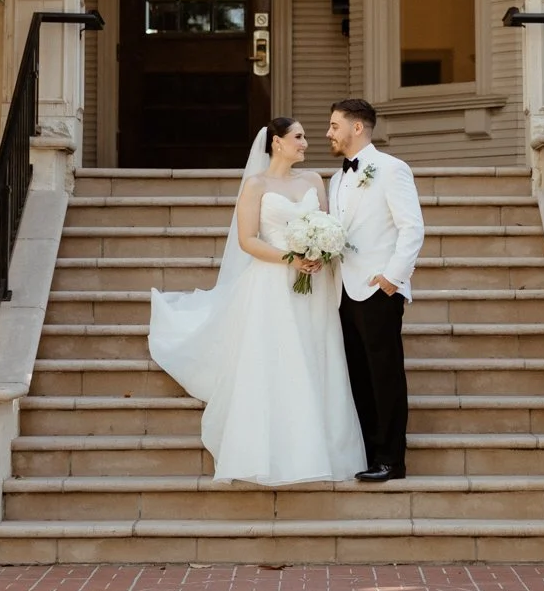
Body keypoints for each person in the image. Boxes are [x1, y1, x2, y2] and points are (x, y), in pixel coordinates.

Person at [147, 116, 366, 485]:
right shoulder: (255, 185)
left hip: (314, 284)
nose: (306, 143)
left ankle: (325, 449)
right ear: (277, 143)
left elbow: (328, 226)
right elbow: (248, 240)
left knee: (317, 355)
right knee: (279, 359)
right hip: (272, 284)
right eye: (298, 137)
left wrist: (321, 253)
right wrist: (291, 259)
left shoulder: (314, 181)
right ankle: (276, 452)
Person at [326, 97, 424, 483]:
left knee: (384, 376)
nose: (329, 133)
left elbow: (411, 227)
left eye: (334, 125)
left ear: (357, 128)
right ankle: (367, 453)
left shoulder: (392, 169)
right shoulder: (335, 179)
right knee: (358, 376)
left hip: (378, 290)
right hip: (342, 291)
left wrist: (392, 278)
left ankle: (391, 460)